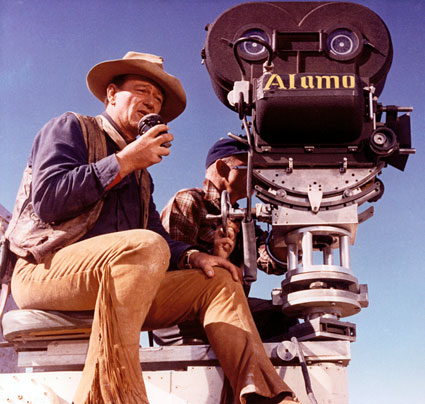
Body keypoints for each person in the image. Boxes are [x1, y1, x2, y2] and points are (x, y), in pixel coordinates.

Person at [5, 52, 300, 404]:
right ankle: (115, 396)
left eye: (158, 99)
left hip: (123, 281)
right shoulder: (71, 128)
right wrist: (124, 161)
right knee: (144, 247)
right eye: (142, 91)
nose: (151, 103)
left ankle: (261, 393)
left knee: (219, 279)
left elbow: (159, 239)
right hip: (45, 272)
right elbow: (49, 199)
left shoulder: (143, 177)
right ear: (111, 94)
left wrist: (193, 257)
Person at [155, 137, 296, 346]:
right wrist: (214, 256)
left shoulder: (242, 218)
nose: (258, 176)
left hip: (226, 306)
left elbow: (270, 261)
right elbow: (172, 271)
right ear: (222, 167)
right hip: (183, 316)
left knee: (283, 317)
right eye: (251, 167)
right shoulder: (189, 201)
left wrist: (287, 230)